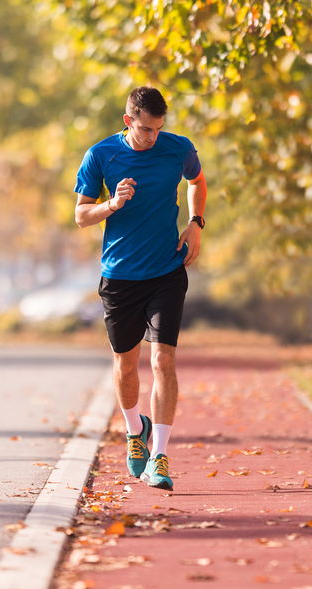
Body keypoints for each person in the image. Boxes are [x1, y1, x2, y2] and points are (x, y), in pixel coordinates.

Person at [74, 86, 207, 491]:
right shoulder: (101, 155)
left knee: (163, 362)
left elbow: (197, 182)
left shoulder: (177, 149)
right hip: (119, 279)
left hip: (167, 272)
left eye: (158, 129)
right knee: (125, 366)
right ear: (128, 121)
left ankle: (161, 457)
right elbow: (81, 215)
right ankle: (136, 432)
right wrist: (112, 204)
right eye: (146, 129)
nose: (152, 138)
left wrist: (196, 223)